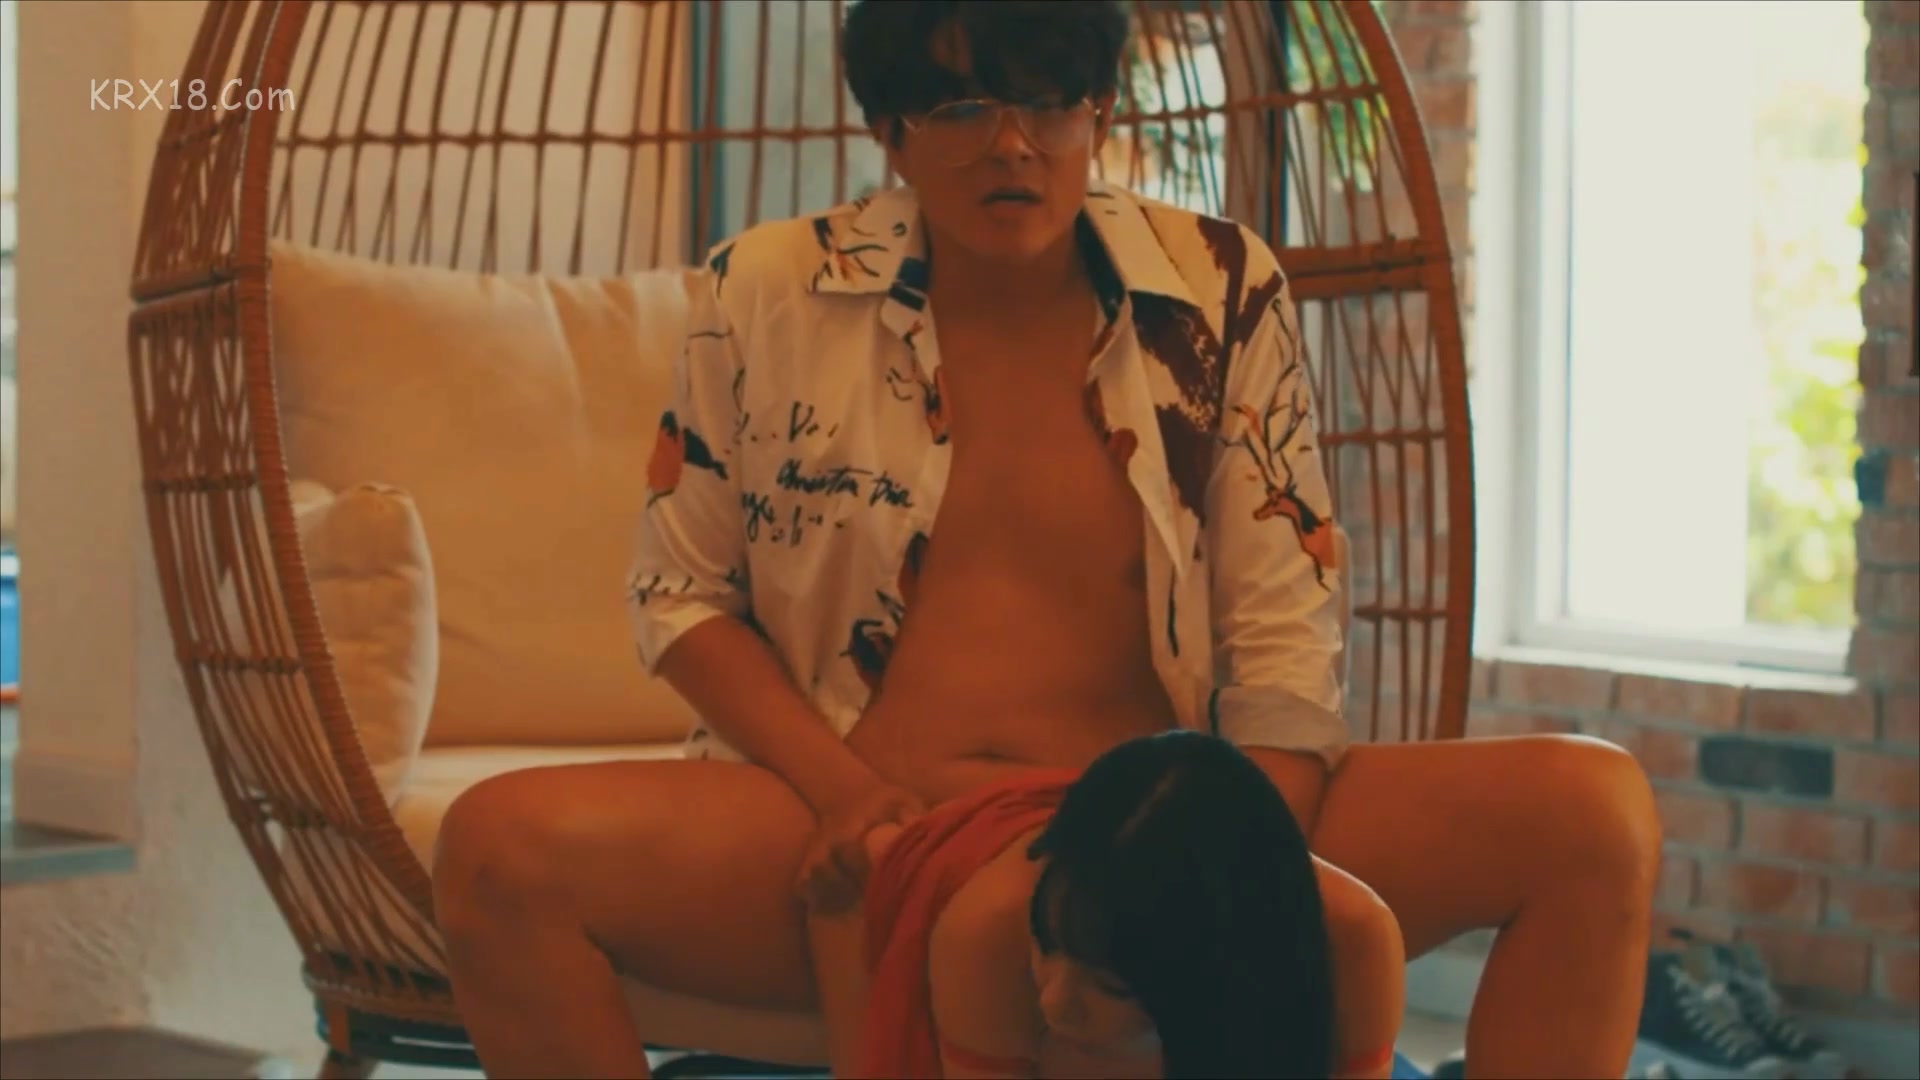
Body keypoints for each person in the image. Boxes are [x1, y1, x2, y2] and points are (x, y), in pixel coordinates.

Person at [430, 2, 1662, 1078]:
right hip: (867, 808)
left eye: (1048, 102)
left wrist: (1215, 859)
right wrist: (845, 796)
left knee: (1589, 810)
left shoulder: (1217, 286)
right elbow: (681, 595)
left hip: (1163, 809)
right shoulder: (763, 287)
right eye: (963, 106)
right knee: (496, 850)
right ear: (891, 130)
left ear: (1097, 111)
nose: (1013, 144)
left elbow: (1286, 644)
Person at [855, 730, 1404, 1079]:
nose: (1056, 1001)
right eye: (1046, 948)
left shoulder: (1355, 932)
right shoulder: (988, 928)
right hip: (979, 857)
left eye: (1110, 986)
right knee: (885, 852)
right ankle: (878, 840)